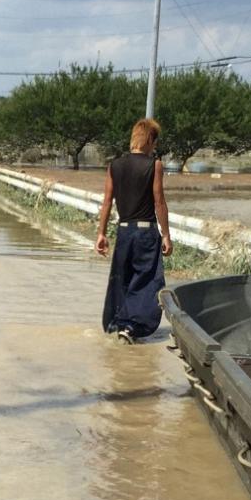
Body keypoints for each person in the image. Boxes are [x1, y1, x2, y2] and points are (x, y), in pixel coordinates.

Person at [95, 118, 173, 344]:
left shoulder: (115, 165)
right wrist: (166, 235)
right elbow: (159, 202)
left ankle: (119, 322)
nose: (155, 147)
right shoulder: (154, 165)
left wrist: (101, 234)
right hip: (146, 233)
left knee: (124, 278)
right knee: (148, 280)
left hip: (124, 232)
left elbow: (107, 202)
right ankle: (131, 326)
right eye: (155, 142)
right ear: (150, 140)